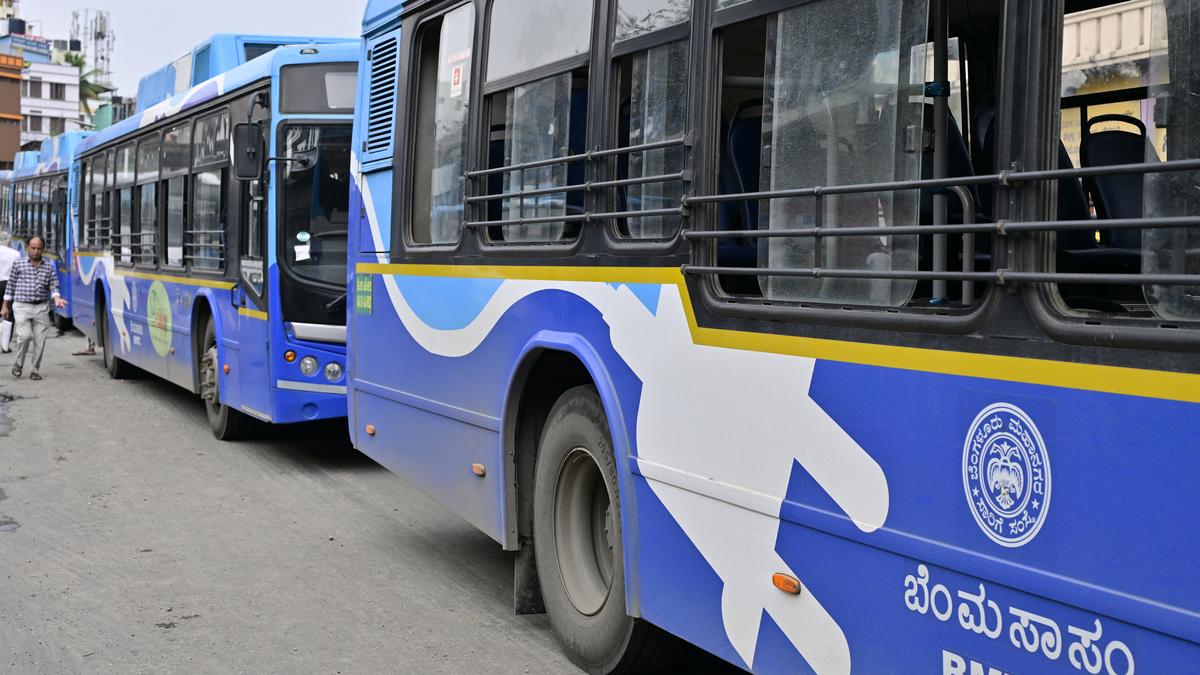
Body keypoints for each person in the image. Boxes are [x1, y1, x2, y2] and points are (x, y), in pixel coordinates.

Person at [1, 236, 68, 380]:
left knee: (40, 340)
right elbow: (10, 285)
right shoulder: (18, 264)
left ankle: (34, 370)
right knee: (25, 336)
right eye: (33, 248)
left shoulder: (48, 266)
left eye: (39, 248)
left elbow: (53, 285)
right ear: (27, 248)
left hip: (41, 308)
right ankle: (18, 364)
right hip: (21, 306)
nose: (36, 251)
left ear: (43, 249)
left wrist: (56, 297)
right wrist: (5, 306)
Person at [0, 231, 19, 354]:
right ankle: (5, 345)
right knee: (9, 314)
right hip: (9, 284)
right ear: (8, 241)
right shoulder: (15, 253)